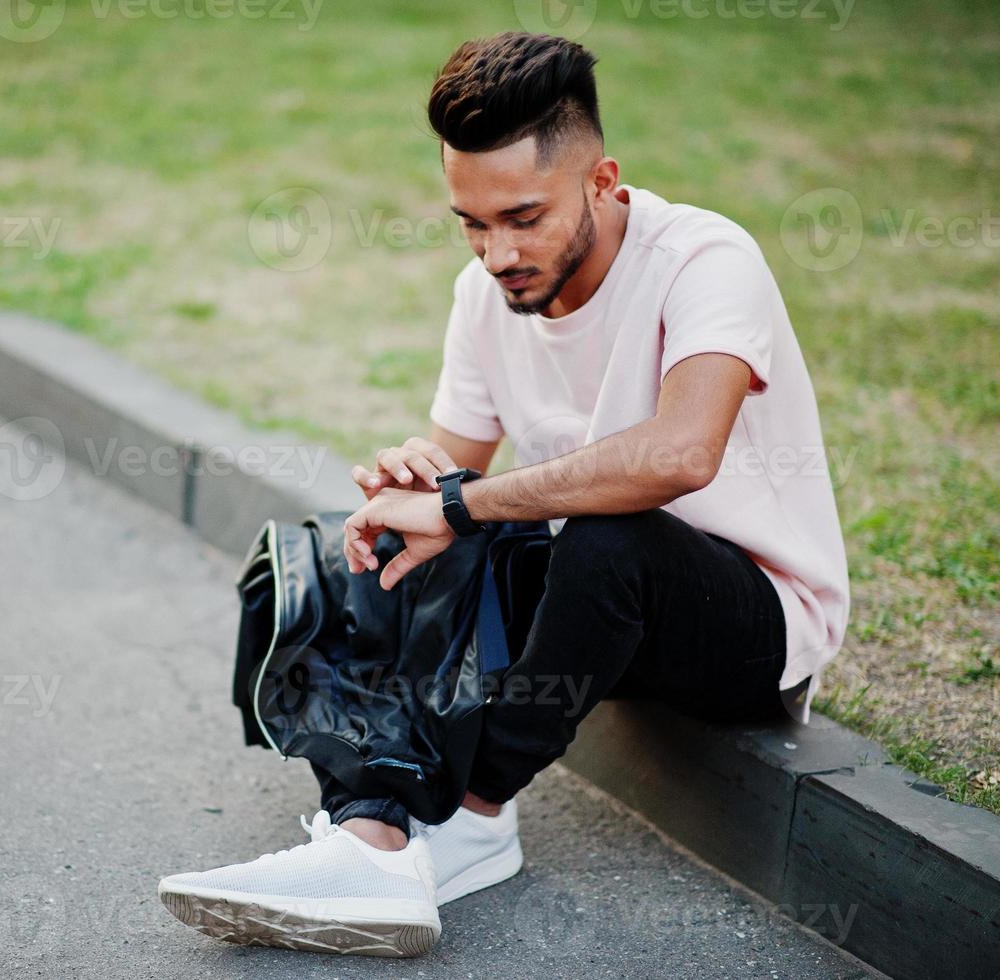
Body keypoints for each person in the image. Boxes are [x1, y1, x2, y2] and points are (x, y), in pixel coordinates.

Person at [158, 30, 850, 958]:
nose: (496, 253)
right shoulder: (484, 296)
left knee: (608, 539)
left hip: (743, 622)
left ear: (602, 182)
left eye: (523, 217)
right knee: (347, 549)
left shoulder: (702, 259)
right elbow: (454, 481)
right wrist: (413, 490)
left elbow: (682, 456)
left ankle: (474, 817)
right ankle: (372, 831)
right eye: (472, 223)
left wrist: (457, 505)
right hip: (586, 603)